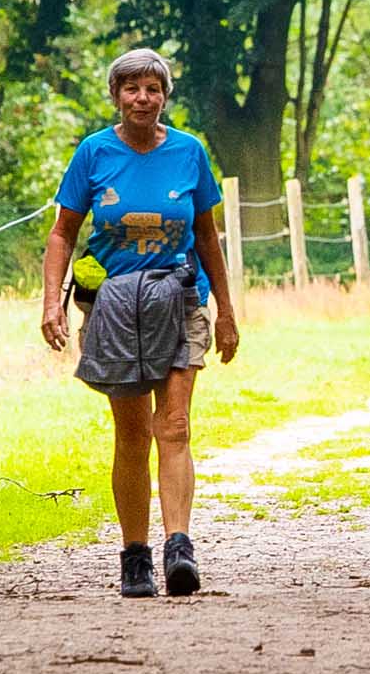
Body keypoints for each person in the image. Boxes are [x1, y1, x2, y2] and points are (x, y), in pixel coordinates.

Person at [41, 48, 242, 597]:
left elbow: (206, 234)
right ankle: (135, 555)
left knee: (173, 426)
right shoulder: (94, 153)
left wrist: (225, 311)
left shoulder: (188, 152)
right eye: (131, 88)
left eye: (152, 89)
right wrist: (52, 303)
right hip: (113, 307)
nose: (142, 98)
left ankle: (180, 548)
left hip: (180, 299)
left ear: (164, 97)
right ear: (116, 96)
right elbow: (63, 233)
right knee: (132, 435)